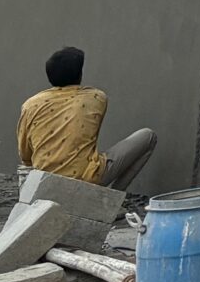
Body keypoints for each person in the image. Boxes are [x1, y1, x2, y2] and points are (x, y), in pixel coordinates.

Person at [18, 47, 155, 190]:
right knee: (148, 136)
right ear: (79, 75)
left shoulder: (30, 105)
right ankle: (111, 196)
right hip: (87, 179)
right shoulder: (96, 98)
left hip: (44, 182)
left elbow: (25, 156)